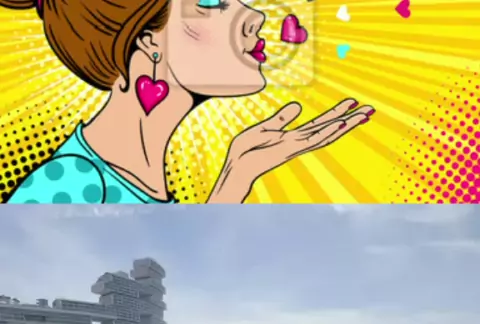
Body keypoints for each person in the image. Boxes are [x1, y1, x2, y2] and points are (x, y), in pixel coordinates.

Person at [1, 0, 375, 203]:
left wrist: (238, 173)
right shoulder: (71, 179)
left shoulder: (144, 177)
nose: (255, 17)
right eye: (213, 3)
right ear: (148, 38)